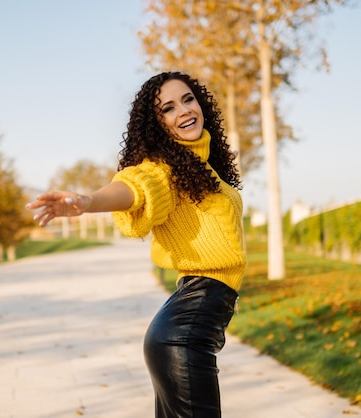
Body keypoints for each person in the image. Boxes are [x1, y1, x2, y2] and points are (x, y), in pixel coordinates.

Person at [26, 71, 246, 417]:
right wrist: (87, 201)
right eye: (168, 109)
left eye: (188, 99)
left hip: (187, 323)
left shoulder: (204, 168)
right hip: (184, 330)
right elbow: (136, 187)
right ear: (158, 125)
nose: (184, 111)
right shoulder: (166, 169)